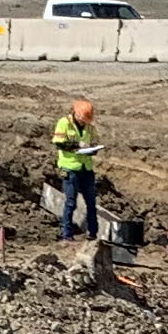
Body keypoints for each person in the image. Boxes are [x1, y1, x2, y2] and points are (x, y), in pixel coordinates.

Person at [50, 98, 103, 239]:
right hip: (68, 168)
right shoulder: (64, 123)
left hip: (86, 168)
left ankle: (93, 233)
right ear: (77, 114)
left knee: (91, 202)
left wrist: (92, 149)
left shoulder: (90, 127)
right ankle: (67, 234)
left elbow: (95, 141)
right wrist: (77, 145)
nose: (85, 123)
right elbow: (58, 143)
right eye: (83, 119)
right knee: (70, 201)